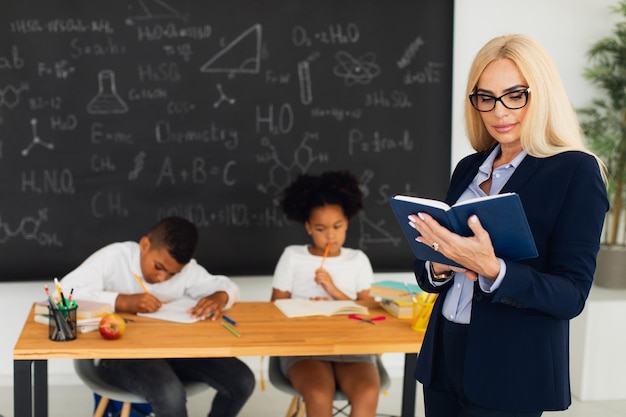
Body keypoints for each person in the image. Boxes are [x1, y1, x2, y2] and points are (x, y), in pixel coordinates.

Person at [407, 34, 609, 417]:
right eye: (486, 98)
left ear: (542, 93)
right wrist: (440, 260)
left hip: (512, 368)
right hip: (444, 355)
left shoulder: (575, 171)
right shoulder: (469, 167)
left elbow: (571, 294)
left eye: (515, 95)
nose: (499, 111)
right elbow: (428, 272)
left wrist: (492, 269)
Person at [60, 216, 255, 417]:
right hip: (122, 356)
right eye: (159, 267)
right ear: (145, 245)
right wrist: (122, 301)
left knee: (242, 381)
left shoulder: (186, 271)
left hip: (173, 351)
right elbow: (64, 293)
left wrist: (219, 296)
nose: (162, 278)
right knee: (170, 393)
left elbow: (226, 287)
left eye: (172, 274)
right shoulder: (114, 257)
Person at [271, 170, 380, 417]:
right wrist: (305, 306)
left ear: (347, 223)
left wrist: (334, 292)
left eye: (337, 226)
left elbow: (370, 313)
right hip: (304, 347)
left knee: (368, 393)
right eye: (321, 228)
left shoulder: (358, 259)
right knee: (319, 393)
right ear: (308, 227)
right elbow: (274, 308)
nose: (330, 235)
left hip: (352, 347)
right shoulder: (292, 256)